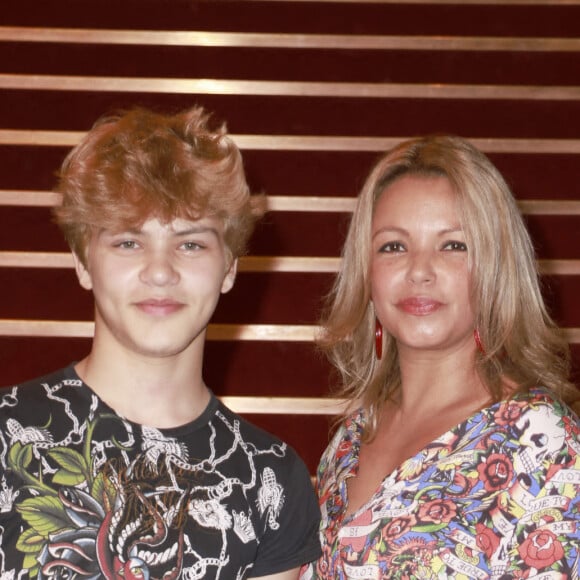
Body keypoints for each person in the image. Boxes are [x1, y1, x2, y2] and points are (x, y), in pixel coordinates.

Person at [0, 106, 321, 578]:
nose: (160, 270)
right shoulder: (7, 435)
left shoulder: (271, 479)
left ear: (229, 266)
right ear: (83, 262)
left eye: (190, 243)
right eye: (129, 242)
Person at [300, 135, 580, 579]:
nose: (419, 271)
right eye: (394, 246)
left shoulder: (543, 442)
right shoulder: (352, 438)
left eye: (453, 245)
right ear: (367, 274)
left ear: (495, 266)